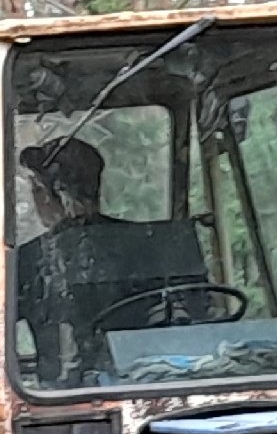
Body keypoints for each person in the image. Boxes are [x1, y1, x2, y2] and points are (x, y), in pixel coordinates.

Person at [14, 134, 207, 383]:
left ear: (44, 193)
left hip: (61, 404)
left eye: (36, 190)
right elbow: (202, 316)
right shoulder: (156, 244)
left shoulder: (30, 259)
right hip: (155, 383)